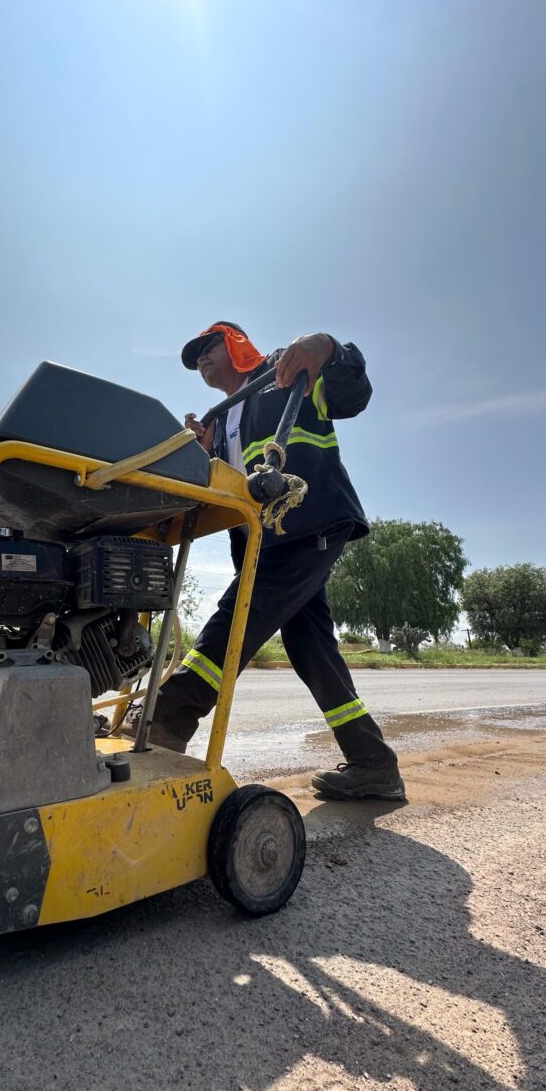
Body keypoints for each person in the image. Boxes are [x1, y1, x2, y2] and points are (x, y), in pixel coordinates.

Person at [127, 320, 405, 801]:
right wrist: (199, 452)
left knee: (239, 614)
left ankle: (169, 716)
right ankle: (374, 763)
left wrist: (329, 349)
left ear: (234, 343)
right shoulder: (224, 417)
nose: (200, 363)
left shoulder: (285, 370)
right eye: (194, 361)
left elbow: (352, 395)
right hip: (267, 539)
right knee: (312, 650)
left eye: (206, 349)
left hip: (306, 522)